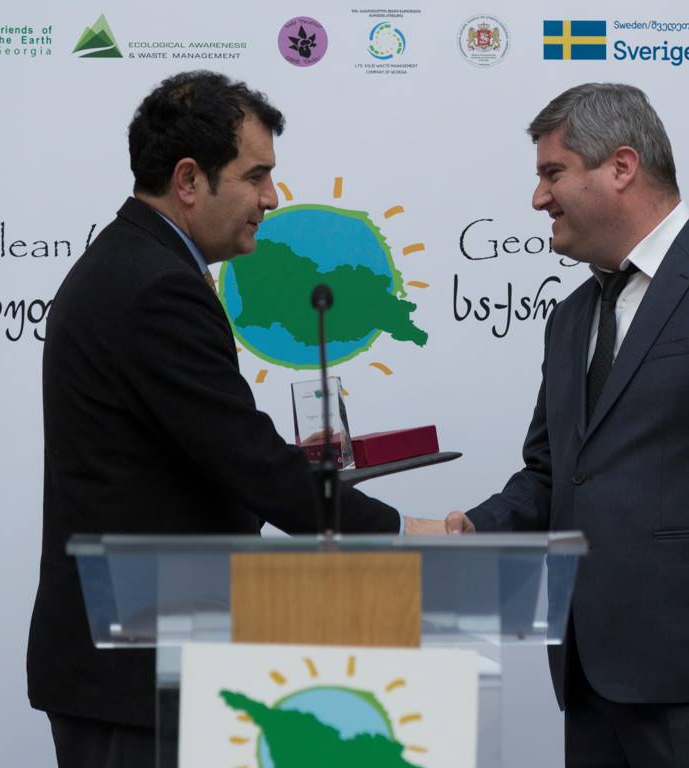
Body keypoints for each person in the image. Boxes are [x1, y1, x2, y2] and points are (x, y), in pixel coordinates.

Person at [27, 70, 439, 768]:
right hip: (138, 675)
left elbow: (197, 450)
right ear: (189, 180)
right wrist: (401, 532)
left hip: (136, 661)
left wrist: (286, 465)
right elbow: (248, 462)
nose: (271, 198)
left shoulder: (136, 263)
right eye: (256, 176)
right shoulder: (157, 286)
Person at [445, 83, 689, 767]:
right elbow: (555, 472)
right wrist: (476, 527)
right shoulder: (570, 317)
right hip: (590, 679)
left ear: (621, 167)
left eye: (553, 173)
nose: (538, 198)